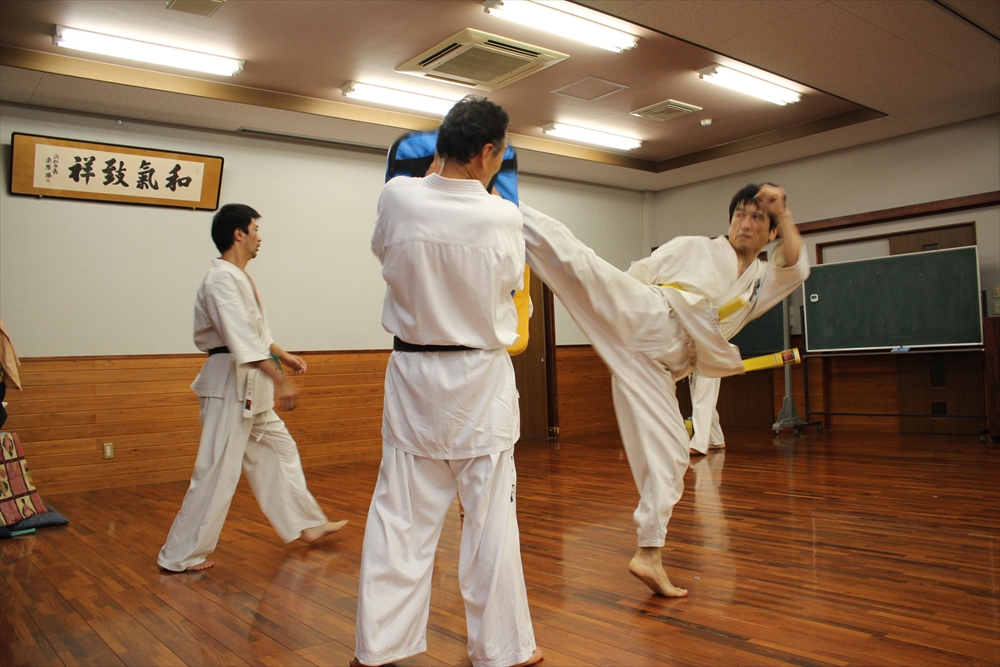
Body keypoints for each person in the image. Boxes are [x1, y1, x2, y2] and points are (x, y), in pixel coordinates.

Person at [519, 183, 808, 597]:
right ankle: (508, 204)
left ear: (772, 233)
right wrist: (618, 301)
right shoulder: (695, 247)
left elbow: (796, 265)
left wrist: (784, 208)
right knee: (582, 265)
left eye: (757, 217)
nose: (745, 223)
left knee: (673, 456)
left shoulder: (764, 279)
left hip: (659, 365)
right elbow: (638, 275)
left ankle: (649, 553)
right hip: (651, 317)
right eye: (739, 215)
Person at [353, 97, 541, 667]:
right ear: (487, 153)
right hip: (478, 381)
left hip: (413, 377)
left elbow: (383, 251)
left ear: (441, 146)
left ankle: (379, 647)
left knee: (399, 519)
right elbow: (510, 282)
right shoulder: (503, 216)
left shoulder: (396, 199)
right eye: (501, 150)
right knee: (489, 524)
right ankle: (502, 650)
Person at [157, 204, 346, 573]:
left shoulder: (236, 277)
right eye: (255, 228)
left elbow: (257, 334)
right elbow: (240, 339)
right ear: (238, 234)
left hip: (249, 384)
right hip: (230, 381)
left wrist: (284, 355)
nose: (260, 236)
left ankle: (306, 524)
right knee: (217, 470)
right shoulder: (220, 280)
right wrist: (281, 380)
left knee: (280, 451)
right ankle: (180, 555)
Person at [688, 372, 725, 456]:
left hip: (707, 362)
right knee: (705, 400)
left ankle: (699, 444)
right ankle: (715, 439)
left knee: (702, 400)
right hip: (695, 364)